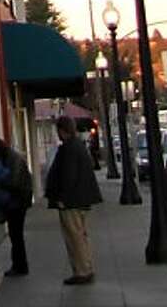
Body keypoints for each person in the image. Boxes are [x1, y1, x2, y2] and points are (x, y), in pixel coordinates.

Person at [44, 114, 102, 286]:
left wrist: (62, 197)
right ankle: (86, 268)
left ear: (62, 131)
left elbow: (68, 176)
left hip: (71, 201)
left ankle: (81, 271)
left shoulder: (68, 149)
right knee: (81, 235)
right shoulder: (78, 146)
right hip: (81, 198)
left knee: (74, 237)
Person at [0, 137, 33, 277]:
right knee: (16, 235)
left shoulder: (13, 160)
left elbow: (14, 182)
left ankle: (19, 266)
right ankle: (19, 265)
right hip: (19, 201)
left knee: (16, 235)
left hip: (17, 202)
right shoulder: (12, 158)